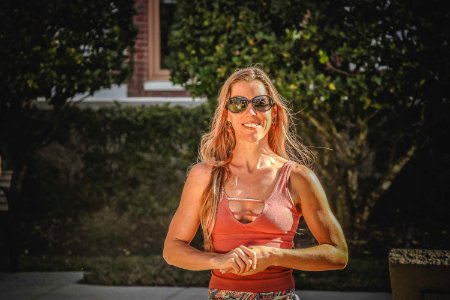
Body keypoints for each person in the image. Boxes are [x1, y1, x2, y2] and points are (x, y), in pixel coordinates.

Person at [163, 67, 348, 299]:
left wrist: (274, 256)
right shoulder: (204, 176)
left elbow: (338, 254)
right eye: (238, 103)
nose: (250, 112)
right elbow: (172, 249)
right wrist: (220, 260)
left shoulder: (298, 178)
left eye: (260, 102)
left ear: (274, 112)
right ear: (226, 115)